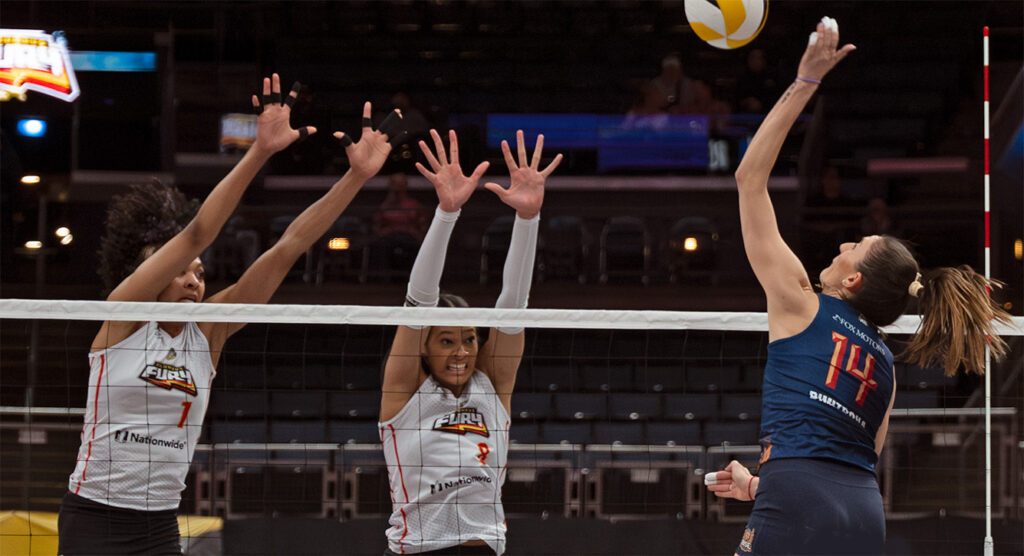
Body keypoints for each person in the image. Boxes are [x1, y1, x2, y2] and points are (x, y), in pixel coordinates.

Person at [58, 74, 402, 555]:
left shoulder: (208, 332)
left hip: (159, 526)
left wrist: (356, 178)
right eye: (180, 270)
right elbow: (198, 233)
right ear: (150, 276)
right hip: (95, 521)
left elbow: (290, 247)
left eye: (199, 273)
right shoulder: (124, 317)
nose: (194, 278)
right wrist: (259, 151)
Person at [703, 18, 1011, 556]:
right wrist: (757, 486)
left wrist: (805, 81)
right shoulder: (885, 364)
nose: (843, 244)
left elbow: (749, 177)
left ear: (853, 279)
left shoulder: (800, 301)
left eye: (855, 244)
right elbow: (852, 456)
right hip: (863, 512)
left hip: (799, 492)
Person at [379, 129, 561, 555]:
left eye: (468, 339)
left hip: (483, 547)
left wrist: (528, 219)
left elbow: (513, 306)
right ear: (424, 347)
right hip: (419, 547)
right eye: (445, 340)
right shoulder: (405, 391)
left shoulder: (491, 385)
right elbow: (418, 302)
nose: (461, 350)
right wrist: (446, 213)